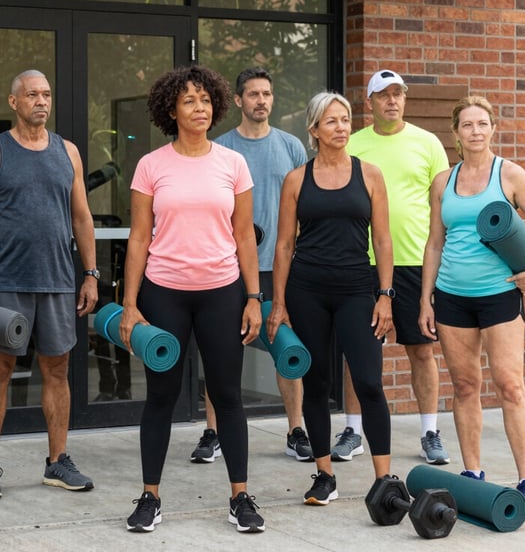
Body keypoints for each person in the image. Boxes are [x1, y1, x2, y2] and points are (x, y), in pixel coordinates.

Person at [118, 65, 265, 533]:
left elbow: (244, 235)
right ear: (171, 109)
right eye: (189, 101)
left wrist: (254, 297)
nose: (199, 108)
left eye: (205, 100)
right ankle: (149, 497)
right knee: (160, 397)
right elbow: (139, 239)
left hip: (222, 292)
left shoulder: (232, 164)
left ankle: (240, 497)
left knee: (227, 396)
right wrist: (130, 304)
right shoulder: (151, 165)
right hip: (164, 293)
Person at [418, 95, 525, 517]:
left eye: (482, 123)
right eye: (467, 125)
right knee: (464, 387)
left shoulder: (510, 174)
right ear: (456, 133)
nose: (475, 131)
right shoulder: (444, 181)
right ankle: (473, 473)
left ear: (493, 128)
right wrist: (426, 298)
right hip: (452, 298)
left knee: (510, 386)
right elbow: (435, 242)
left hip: (499, 295)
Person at [0, 70, 98, 499]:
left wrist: (91, 273)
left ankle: (57, 461)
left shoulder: (69, 152)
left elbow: (81, 217)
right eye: (32, 95)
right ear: (14, 102)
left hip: (60, 281)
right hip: (7, 282)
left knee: (57, 370)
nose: (41, 101)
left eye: (46, 94)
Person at [267, 91, 394, 506]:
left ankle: (384, 478)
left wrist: (385, 296)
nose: (341, 128)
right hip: (308, 290)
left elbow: (384, 240)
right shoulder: (297, 180)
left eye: (345, 120)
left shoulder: (370, 174)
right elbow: (284, 245)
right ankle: (324, 474)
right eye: (332, 121)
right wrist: (280, 302)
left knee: (369, 382)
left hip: (359, 288)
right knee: (316, 383)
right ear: (314, 130)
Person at [189, 66, 310, 464]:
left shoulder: (292, 147)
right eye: (254, 94)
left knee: (287, 347)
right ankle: (213, 431)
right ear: (239, 101)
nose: (262, 101)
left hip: (278, 268)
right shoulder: (220, 148)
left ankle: (296, 430)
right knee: (219, 350)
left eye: (267, 94)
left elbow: (303, 207)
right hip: (228, 267)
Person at [333, 69, 451, 465]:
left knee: (422, 351)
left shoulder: (428, 143)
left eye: (398, 94)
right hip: (360, 262)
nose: (392, 101)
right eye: (383, 95)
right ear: (369, 102)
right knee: (358, 352)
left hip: (415, 263)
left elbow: (441, 208)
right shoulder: (352, 144)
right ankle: (353, 429)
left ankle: (430, 432)